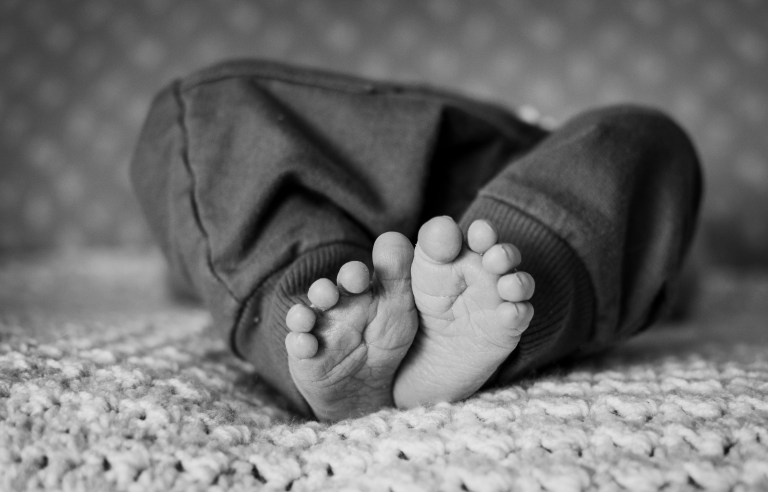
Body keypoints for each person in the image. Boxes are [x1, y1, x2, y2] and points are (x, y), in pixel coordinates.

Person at [130, 59, 702, 422]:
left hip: (508, 197)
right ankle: (320, 324)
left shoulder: (564, 146)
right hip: (332, 188)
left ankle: (478, 312)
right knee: (203, 113)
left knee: (642, 136)